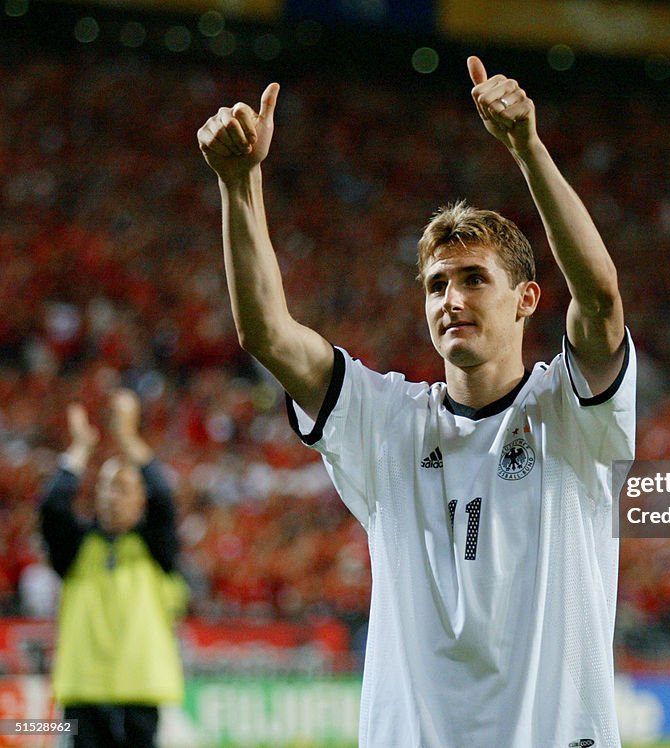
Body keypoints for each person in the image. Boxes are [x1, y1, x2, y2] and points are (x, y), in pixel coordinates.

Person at [197, 56, 635, 746]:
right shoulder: (387, 423)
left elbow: (602, 299)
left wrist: (528, 148)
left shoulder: (572, 416)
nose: (451, 300)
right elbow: (267, 334)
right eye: (435, 286)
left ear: (526, 300)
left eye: (472, 279)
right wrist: (239, 184)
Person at [40, 389, 186, 748]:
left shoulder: (155, 549)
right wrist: (80, 448)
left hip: (139, 692)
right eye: (104, 487)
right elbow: (52, 506)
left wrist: (128, 438)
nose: (109, 496)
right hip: (83, 694)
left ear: (140, 499)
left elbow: (165, 499)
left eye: (121, 488)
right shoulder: (76, 548)